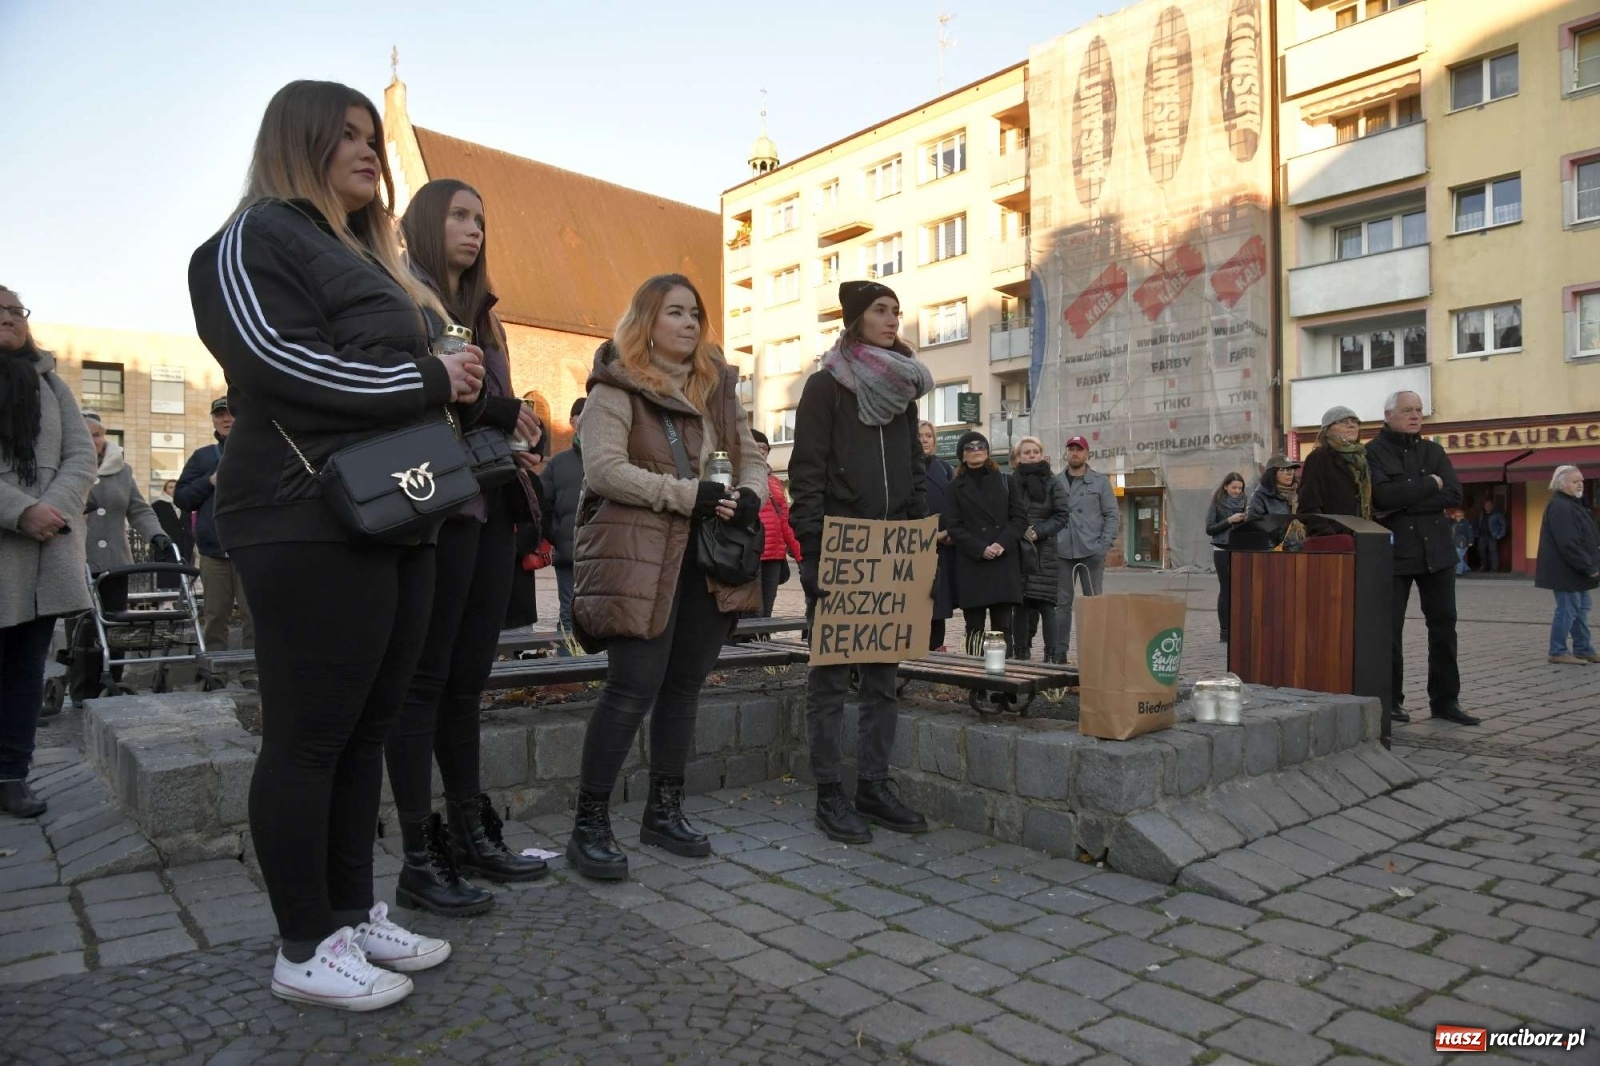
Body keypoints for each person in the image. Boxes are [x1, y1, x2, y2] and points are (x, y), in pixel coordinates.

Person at [188, 80, 489, 1010]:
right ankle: (301, 943)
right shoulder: (248, 238)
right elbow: (277, 362)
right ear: (298, 141)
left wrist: (448, 372)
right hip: (300, 512)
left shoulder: (359, 247)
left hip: (390, 506)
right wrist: (427, 376)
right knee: (311, 735)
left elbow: (385, 364)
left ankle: (352, 912)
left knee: (365, 729)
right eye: (346, 136)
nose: (369, 150)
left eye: (373, 136)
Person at [382, 178, 550, 918]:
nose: (473, 229)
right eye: (458, 215)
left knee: (466, 680)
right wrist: (509, 413)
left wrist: (522, 437)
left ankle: (469, 830)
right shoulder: (402, 296)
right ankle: (419, 854)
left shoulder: (485, 312)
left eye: (480, 218)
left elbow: (490, 406)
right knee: (422, 680)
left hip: (489, 507)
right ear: (424, 223)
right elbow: (428, 395)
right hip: (432, 509)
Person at [566, 274, 765, 881]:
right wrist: (688, 495)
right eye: (674, 312)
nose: (689, 322)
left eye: (695, 313)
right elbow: (602, 470)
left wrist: (751, 494)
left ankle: (664, 810)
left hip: (704, 560)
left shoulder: (716, 390)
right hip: (639, 557)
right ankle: (590, 825)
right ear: (647, 321)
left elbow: (752, 453)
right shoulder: (615, 387)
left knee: (684, 687)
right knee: (632, 687)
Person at [789, 280, 931, 844]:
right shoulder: (825, 388)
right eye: (880, 310)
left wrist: (920, 531)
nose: (892, 319)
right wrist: (815, 552)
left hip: (893, 548)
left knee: (882, 679)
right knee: (828, 679)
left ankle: (873, 784)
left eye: (897, 310)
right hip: (843, 547)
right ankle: (830, 793)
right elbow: (806, 474)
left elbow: (914, 468)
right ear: (855, 320)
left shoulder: (902, 390)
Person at [0, 286, 96, 817]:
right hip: (8, 539)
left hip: (46, 547)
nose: (11, 317)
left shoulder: (51, 382)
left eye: (17, 310)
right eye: (0, 309)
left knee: (23, 673)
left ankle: (13, 774)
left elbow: (81, 454)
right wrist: (20, 509)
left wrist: (52, 507)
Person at [1367, 390, 1478, 726]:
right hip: (1395, 553)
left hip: (1438, 554)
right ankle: (1392, 701)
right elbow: (1381, 496)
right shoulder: (1372, 452)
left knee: (1444, 628)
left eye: (1419, 410)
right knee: (1389, 632)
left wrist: (1404, 499)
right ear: (1388, 415)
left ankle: (1446, 701)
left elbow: (1454, 493)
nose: (1415, 416)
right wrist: (1430, 484)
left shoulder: (1434, 450)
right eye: (1407, 410)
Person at [67, 413, 173, 706]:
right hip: (78, 561)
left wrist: (156, 535)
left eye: (98, 434)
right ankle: (82, 690)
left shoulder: (122, 471)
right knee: (83, 628)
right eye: (86, 434)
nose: (93, 440)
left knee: (116, 626)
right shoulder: (67, 468)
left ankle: (112, 681)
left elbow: (139, 510)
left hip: (116, 562)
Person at [175, 397, 255, 679]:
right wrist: (210, 481)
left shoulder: (259, 452)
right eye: (220, 414)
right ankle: (215, 673)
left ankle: (251, 671)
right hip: (213, 552)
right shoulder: (203, 457)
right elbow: (182, 498)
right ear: (213, 421)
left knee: (253, 617)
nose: (226, 418)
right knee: (215, 617)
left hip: (250, 550)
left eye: (232, 412)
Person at [947, 431, 1027, 656]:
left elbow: (1020, 519)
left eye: (980, 445)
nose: (976, 450)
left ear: (988, 451)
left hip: (1003, 562)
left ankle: (1006, 686)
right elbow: (954, 526)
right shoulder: (955, 487)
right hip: (973, 564)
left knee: (1003, 628)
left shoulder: (1006, 481)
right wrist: (980, 548)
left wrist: (1001, 544)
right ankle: (977, 686)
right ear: (962, 455)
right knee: (974, 629)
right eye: (969, 447)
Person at [1049, 435, 1119, 664]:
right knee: (1062, 604)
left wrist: (1103, 546)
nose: (1075, 453)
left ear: (1087, 453)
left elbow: (1112, 515)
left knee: (1093, 603)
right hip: (1062, 552)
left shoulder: (1099, 482)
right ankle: (1060, 653)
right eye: (1071, 449)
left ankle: (1094, 653)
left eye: (1079, 449)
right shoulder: (1056, 481)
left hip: (1091, 552)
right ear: (1066, 453)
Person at [1009, 436, 1071, 661]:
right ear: (1018, 457)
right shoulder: (1011, 481)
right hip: (1018, 550)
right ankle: (1020, 653)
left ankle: (1052, 656)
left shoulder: (1053, 482)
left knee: (1047, 605)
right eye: (1026, 452)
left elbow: (1062, 515)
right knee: (1021, 606)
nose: (1031, 455)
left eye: (1035, 451)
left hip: (1044, 552)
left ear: (1041, 454)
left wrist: (1039, 531)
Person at [1535, 465, 1599, 665]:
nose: (1580, 484)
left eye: (1581, 480)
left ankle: (1583, 648)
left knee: (1581, 608)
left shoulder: (1575, 504)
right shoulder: (1561, 506)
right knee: (1568, 609)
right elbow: (1568, 543)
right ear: (1561, 484)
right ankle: (1557, 650)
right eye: (1575, 481)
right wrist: (1588, 566)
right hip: (1566, 570)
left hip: (1575, 570)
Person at [540, 397, 587, 638]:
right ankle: (568, 671)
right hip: (568, 554)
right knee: (568, 614)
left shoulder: (608, 462)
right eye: (583, 415)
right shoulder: (558, 464)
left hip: (602, 555)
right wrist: (556, 534)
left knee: (598, 615)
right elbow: (541, 506)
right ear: (572, 421)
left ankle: (594, 672)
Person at [748, 429, 802, 618]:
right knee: (751, 610)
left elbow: (785, 521)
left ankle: (763, 643)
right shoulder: (738, 477)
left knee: (766, 611)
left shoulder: (775, 482)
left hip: (774, 556)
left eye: (764, 447)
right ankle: (746, 645)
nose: (761, 450)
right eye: (756, 446)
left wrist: (800, 554)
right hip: (750, 555)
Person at [918, 420, 956, 651]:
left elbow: (955, 505)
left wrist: (950, 531)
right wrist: (930, 534)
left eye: (928, 436)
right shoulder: (903, 468)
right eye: (920, 436)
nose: (924, 440)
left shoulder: (946, 468)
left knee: (938, 605)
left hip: (943, 547)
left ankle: (936, 651)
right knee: (917, 602)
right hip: (914, 546)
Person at [1296, 406, 1370, 519]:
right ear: (1327, 430)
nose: (1351, 425)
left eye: (1355, 421)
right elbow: (1308, 504)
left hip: (1362, 531)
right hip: (1335, 532)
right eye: (1342, 421)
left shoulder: (1362, 458)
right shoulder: (1319, 458)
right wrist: (1326, 532)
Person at [1204, 472, 1248, 642]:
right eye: (1234, 487)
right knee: (1226, 588)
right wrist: (1230, 520)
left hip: (1242, 547)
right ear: (1225, 487)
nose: (1237, 491)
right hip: (1222, 548)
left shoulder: (1247, 502)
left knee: (1241, 589)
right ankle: (1225, 631)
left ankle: (1240, 626)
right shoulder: (1217, 502)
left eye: (1240, 488)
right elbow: (1210, 529)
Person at [150, 478, 193, 591]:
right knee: (167, 575)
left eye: (176, 487)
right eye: (170, 487)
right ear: (165, 490)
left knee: (183, 575)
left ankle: (181, 600)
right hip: (166, 546)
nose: (173, 490)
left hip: (184, 545)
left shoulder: (185, 505)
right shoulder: (157, 506)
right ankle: (166, 602)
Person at [1248, 454, 1301, 519]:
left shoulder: (1298, 492)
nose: (1289, 474)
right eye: (1284, 470)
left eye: (1291, 470)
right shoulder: (1260, 497)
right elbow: (1254, 525)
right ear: (1272, 473)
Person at [1477, 497, 1507, 572]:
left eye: (1489, 505)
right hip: (1482, 535)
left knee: (1492, 551)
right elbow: (1478, 523)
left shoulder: (1497, 514)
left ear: (1492, 506)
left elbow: (1503, 524)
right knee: (1481, 550)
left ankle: (1494, 569)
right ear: (1484, 506)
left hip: (1492, 536)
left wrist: (1500, 534)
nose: (1488, 506)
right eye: (1486, 505)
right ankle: (1484, 566)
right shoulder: (1482, 514)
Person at [1452, 511, 1476, 577]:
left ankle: (1459, 572)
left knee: (1459, 557)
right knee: (1458, 556)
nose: (1458, 517)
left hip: (1463, 541)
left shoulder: (1465, 523)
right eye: (1457, 515)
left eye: (1460, 515)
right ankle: (1466, 568)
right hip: (1456, 541)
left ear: (1463, 516)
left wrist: (1471, 541)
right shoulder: (1454, 523)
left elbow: (1470, 532)